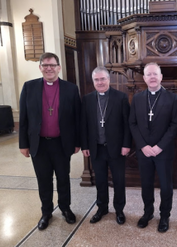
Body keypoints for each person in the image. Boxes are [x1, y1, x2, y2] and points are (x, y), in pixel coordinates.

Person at [19, 52, 81, 230]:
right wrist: (23, 144)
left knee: (63, 178)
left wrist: (77, 142)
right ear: (40, 68)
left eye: (52, 65)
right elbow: (23, 118)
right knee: (43, 179)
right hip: (39, 143)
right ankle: (46, 212)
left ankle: (65, 208)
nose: (49, 68)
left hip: (62, 143)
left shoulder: (70, 88)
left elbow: (76, 118)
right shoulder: (29, 87)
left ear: (58, 68)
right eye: (45, 65)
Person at [129, 62, 177, 233]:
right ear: (144, 78)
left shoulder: (171, 98)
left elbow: (174, 125)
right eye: (148, 74)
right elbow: (133, 123)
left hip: (163, 151)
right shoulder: (137, 98)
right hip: (144, 151)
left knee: (166, 185)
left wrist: (159, 146)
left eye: (155, 74)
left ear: (161, 77)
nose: (152, 77)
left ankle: (164, 215)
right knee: (146, 183)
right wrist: (142, 146)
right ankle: (148, 212)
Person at [81, 67, 131, 225]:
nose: (100, 82)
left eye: (103, 79)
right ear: (93, 81)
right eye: (97, 79)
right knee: (100, 180)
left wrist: (126, 145)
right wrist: (84, 145)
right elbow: (84, 125)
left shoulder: (121, 97)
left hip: (116, 148)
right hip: (96, 147)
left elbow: (127, 124)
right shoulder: (88, 99)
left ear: (108, 80)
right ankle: (102, 208)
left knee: (118, 181)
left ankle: (119, 210)